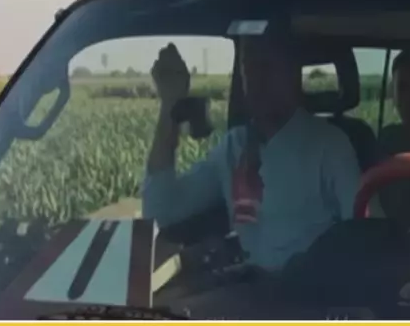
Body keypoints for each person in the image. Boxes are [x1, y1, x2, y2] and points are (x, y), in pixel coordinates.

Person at [142, 26, 361, 272]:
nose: (257, 78)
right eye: (249, 65)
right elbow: (161, 210)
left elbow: (366, 235)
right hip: (246, 287)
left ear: (292, 71)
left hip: (310, 289)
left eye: (268, 64)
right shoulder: (233, 148)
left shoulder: (330, 146)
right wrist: (170, 105)